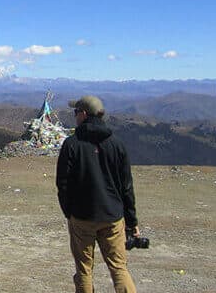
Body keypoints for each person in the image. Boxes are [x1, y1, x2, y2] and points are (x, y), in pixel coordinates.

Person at [56, 95, 138, 293]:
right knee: (119, 268)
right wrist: (132, 222)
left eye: (76, 112)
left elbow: (63, 184)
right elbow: (126, 186)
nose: (75, 116)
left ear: (84, 114)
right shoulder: (116, 144)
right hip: (112, 216)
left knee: (84, 271)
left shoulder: (72, 144)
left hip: (82, 216)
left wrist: (70, 212)